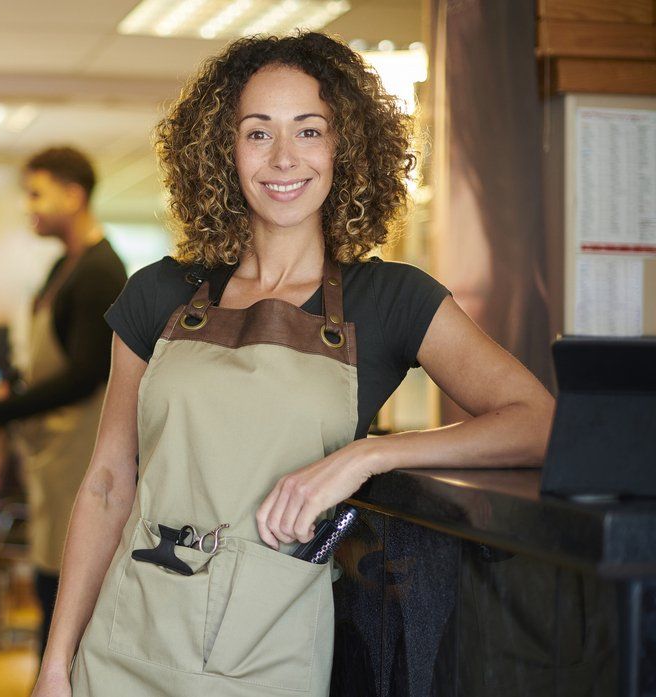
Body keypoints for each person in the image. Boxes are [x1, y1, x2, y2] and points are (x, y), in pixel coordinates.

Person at [31, 33, 556, 697]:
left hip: (267, 658)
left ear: (346, 146)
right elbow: (108, 482)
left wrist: (368, 456)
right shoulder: (159, 292)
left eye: (310, 130)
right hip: (122, 646)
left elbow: (538, 420)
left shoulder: (390, 300)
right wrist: (55, 664)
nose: (284, 157)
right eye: (258, 133)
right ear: (223, 149)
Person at [0, 146, 127, 656]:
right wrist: (11, 386)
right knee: (50, 581)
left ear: (74, 195)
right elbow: (45, 358)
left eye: (36, 194)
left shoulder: (101, 273)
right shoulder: (62, 269)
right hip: (53, 452)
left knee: (69, 586)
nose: (30, 207)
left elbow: (85, 376)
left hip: (81, 453)